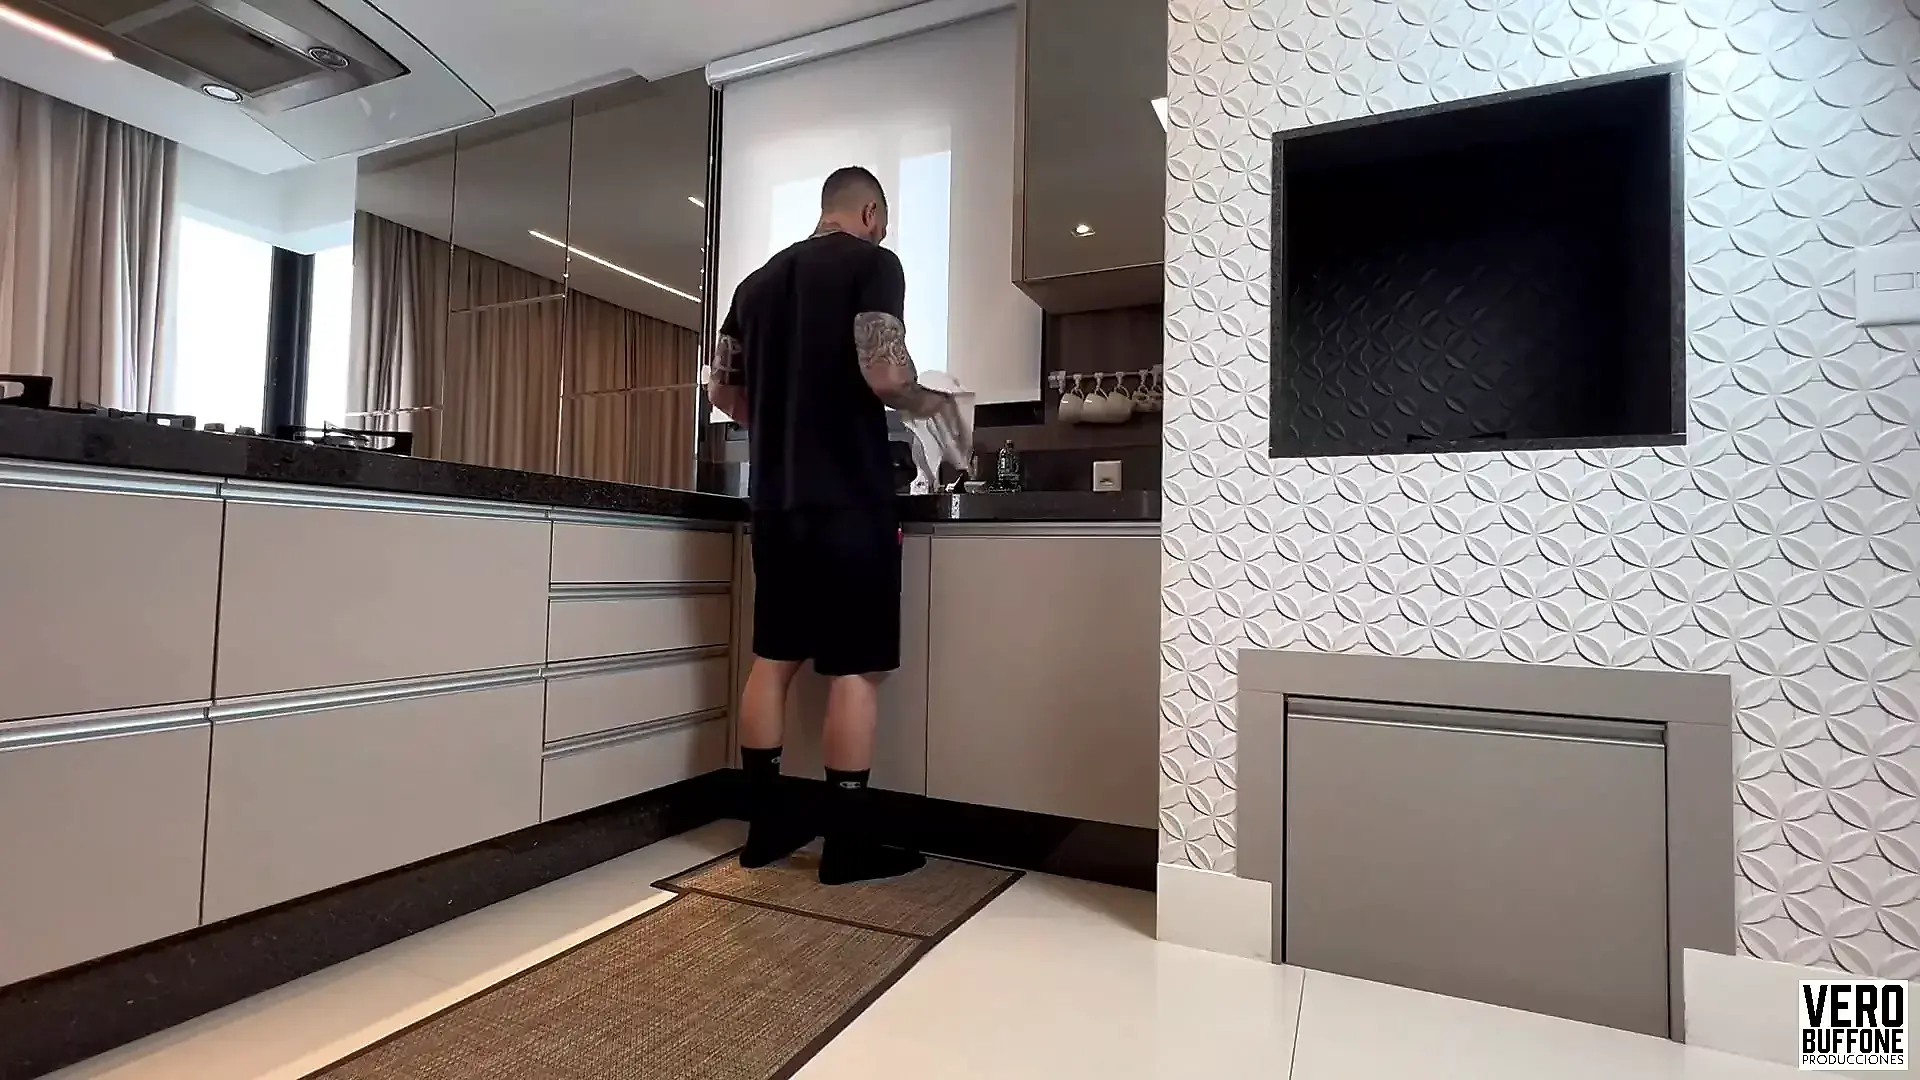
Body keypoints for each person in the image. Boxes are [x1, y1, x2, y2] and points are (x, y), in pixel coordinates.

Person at [706, 165, 964, 885]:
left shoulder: (753, 286)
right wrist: (936, 404)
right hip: (850, 499)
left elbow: (724, 391)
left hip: (776, 501)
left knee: (774, 658)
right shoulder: (874, 263)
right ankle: (846, 847)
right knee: (855, 667)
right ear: (870, 212)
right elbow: (885, 373)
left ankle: (765, 828)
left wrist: (784, 419)